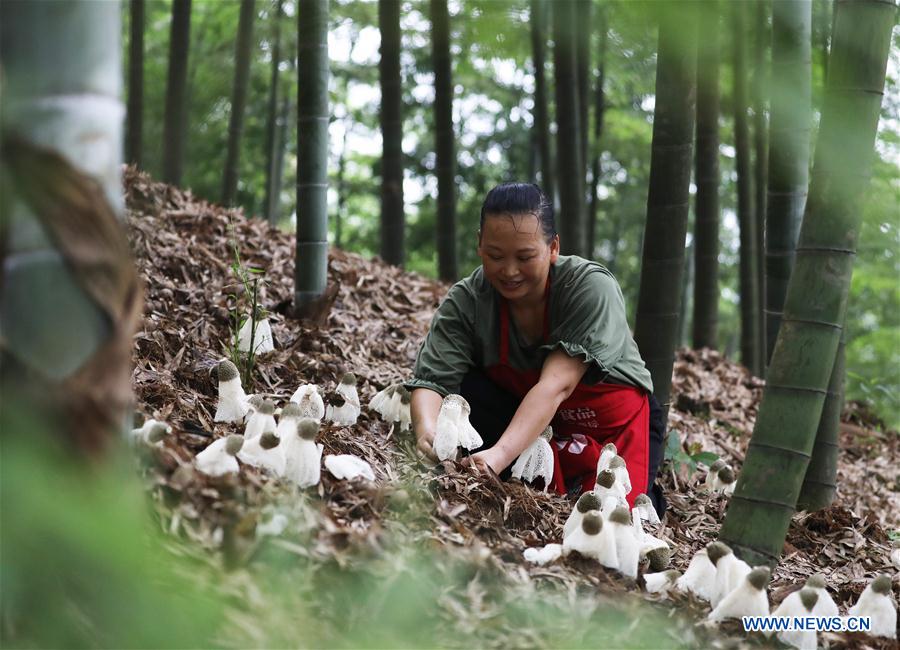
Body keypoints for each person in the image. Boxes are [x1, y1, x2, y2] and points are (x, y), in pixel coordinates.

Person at [406, 182, 666, 514]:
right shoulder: (468, 300)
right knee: (467, 392)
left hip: (611, 423)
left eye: (525, 257)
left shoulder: (589, 288)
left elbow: (558, 384)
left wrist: (499, 455)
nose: (509, 271)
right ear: (479, 245)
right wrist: (426, 429)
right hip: (526, 419)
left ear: (553, 247)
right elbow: (432, 379)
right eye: (495, 256)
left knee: (607, 515)